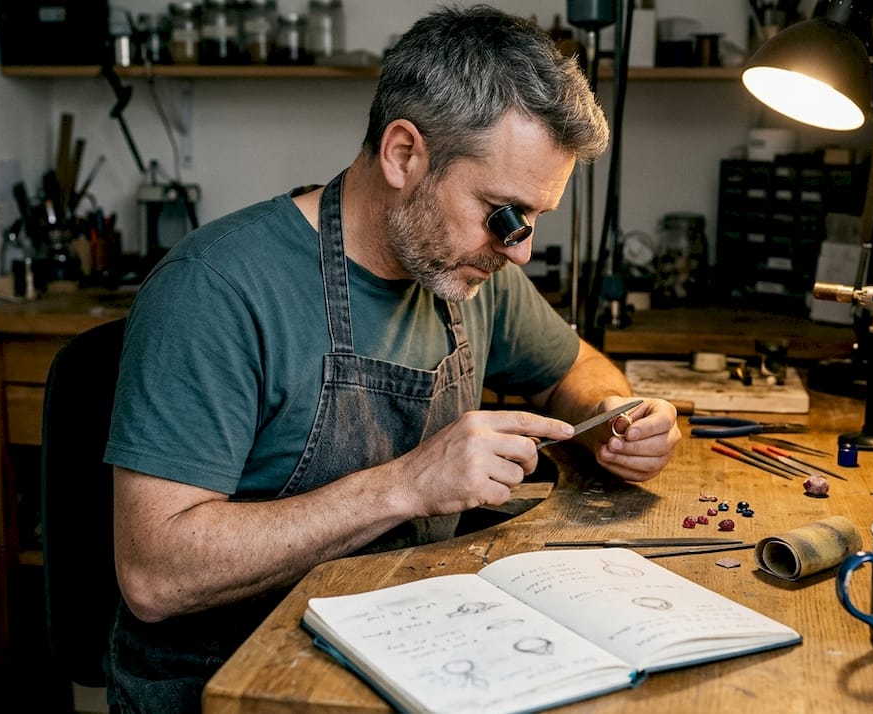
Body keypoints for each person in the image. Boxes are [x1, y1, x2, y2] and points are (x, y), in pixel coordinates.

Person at [102, 4, 681, 712]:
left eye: (535, 221)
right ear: (404, 154)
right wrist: (405, 484)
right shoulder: (217, 289)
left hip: (408, 651)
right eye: (503, 214)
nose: (520, 248)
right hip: (235, 683)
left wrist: (614, 416)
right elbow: (155, 574)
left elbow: (575, 368)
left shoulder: (470, 269)